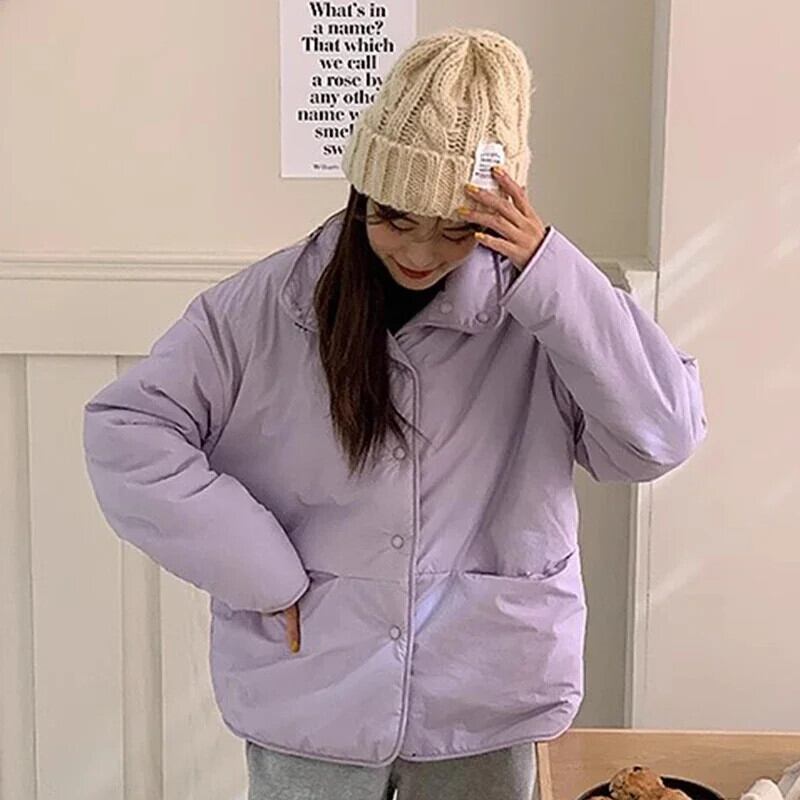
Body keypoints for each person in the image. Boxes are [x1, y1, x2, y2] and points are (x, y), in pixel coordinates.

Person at [82, 27, 708, 800]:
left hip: (483, 690)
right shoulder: (263, 308)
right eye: (395, 217)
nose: (419, 252)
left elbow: (659, 438)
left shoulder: (546, 313)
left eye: (456, 229)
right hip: (314, 691)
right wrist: (261, 570)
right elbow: (127, 432)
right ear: (361, 193)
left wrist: (552, 267)